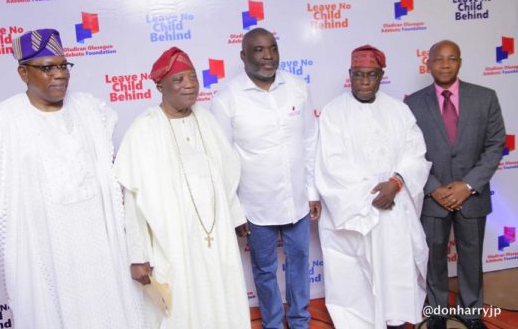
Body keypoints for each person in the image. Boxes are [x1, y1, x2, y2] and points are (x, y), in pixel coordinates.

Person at [0, 29, 144, 329]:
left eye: (63, 65)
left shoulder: (92, 110)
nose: (60, 74)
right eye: (47, 68)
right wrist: (12, 215)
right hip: (46, 246)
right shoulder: (0, 122)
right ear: (23, 72)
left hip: (99, 243)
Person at [113, 47, 251, 329]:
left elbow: (224, 177)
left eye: (192, 77)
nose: (189, 85)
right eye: (178, 80)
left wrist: (236, 217)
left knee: (223, 297)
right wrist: (137, 256)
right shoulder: (144, 130)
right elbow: (133, 200)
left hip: (217, 238)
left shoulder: (206, 120)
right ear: (160, 86)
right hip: (172, 242)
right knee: (182, 308)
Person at [314, 45, 431, 329]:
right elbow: (331, 165)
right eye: (358, 75)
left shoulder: (398, 110)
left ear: (381, 76)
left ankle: (395, 318)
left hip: (394, 207)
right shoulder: (333, 112)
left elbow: (415, 154)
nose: (364, 81)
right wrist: (371, 196)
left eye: (371, 75)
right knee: (354, 279)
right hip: (355, 211)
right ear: (350, 75)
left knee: (394, 269)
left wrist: (395, 183)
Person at [211, 27, 319, 329]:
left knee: (299, 265)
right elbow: (222, 160)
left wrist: (312, 192)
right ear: (243, 55)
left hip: (297, 200)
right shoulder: (227, 99)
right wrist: (234, 209)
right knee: (265, 270)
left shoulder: (298, 87)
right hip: (255, 207)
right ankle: (272, 324)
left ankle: (299, 322)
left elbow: (310, 141)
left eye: (272, 48)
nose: (268, 55)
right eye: (258, 50)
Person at [405, 40, 505, 329]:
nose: (445, 65)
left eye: (451, 59)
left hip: (472, 196)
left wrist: (468, 185)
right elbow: (409, 151)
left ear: (460, 62)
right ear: (428, 64)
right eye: (439, 59)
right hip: (432, 197)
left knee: (471, 258)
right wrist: (433, 187)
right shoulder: (413, 102)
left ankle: (471, 313)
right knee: (433, 258)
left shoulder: (485, 97)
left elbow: (495, 145)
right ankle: (436, 312)